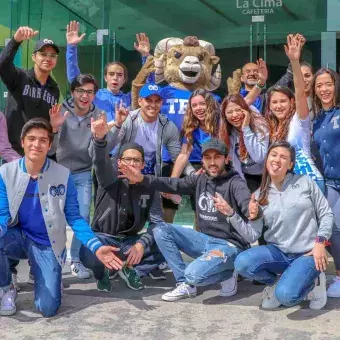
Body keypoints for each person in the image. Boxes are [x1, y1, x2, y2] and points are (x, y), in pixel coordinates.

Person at [0, 118, 122, 317]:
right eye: (31, 139)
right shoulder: (5, 173)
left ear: (49, 145)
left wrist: (97, 246)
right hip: (16, 237)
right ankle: (6, 287)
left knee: (47, 308)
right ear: (22, 142)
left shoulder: (63, 175)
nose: (36, 144)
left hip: (46, 243)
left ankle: (49, 275)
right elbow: (2, 215)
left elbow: (75, 218)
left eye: (42, 140)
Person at [118, 138, 262, 301]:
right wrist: (142, 179)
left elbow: (247, 205)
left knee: (194, 273)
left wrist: (253, 211)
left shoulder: (236, 183)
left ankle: (228, 272)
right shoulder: (200, 179)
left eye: (217, 157)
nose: (212, 162)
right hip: (205, 241)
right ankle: (185, 284)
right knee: (161, 229)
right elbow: (172, 184)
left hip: (230, 246)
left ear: (226, 159)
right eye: (208, 158)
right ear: (202, 160)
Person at [234, 141, 334, 310]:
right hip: (278, 253)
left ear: (291, 164)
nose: (277, 160)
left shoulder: (305, 182)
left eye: (283, 157)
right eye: (273, 155)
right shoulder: (260, 195)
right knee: (242, 263)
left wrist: (320, 242)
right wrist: (238, 215)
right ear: (267, 160)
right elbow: (252, 235)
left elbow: (326, 214)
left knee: (287, 297)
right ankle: (277, 282)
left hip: (307, 253)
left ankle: (314, 283)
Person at [81, 117, 165, 291]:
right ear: (119, 162)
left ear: (143, 164)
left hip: (130, 242)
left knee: (166, 239)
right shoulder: (108, 178)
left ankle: (128, 268)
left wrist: (141, 244)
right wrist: (99, 139)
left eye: (136, 160)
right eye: (128, 159)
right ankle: (103, 272)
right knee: (86, 252)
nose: (132, 164)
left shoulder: (150, 187)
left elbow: (157, 223)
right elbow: (99, 161)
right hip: (104, 238)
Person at [48, 74, 104, 279]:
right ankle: (54, 260)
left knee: (82, 217)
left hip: (82, 174)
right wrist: (53, 128)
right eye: (80, 91)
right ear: (73, 92)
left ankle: (75, 260)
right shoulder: (60, 110)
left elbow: (96, 153)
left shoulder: (98, 115)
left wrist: (100, 135)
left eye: (89, 92)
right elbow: (50, 149)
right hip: (58, 172)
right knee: (54, 218)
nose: (84, 95)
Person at [264, 34, 324, 191]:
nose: (279, 106)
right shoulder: (272, 126)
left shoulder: (299, 120)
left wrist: (295, 62)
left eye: (283, 101)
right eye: (274, 102)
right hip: (287, 185)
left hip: (309, 183)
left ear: (292, 102)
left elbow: (299, 89)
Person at [100, 83, 195, 178]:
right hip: (124, 172)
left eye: (157, 101)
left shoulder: (168, 126)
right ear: (140, 101)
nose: (153, 105)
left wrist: (193, 174)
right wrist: (118, 125)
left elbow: (177, 157)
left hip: (150, 175)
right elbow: (108, 147)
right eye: (148, 100)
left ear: (162, 103)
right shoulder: (127, 119)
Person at [66, 21, 152, 122]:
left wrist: (146, 57)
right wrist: (71, 47)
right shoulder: (95, 96)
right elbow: (75, 80)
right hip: (99, 136)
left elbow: (147, 87)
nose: (115, 77)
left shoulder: (129, 98)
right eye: (111, 74)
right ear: (105, 77)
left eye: (120, 75)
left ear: (124, 80)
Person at [0, 26, 60, 155]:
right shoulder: (19, 77)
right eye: (43, 54)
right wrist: (16, 41)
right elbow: (3, 64)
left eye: (52, 55)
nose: (48, 58)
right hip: (13, 152)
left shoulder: (54, 88)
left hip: (38, 152)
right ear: (34, 57)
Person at [167, 89, 219, 223]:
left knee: (205, 208)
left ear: (210, 104)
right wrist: (172, 183)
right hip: (202, 166)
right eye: (194, 105)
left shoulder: (221, 123)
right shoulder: (191, 126)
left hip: (220, 167)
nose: (198, 108)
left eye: (202, 104)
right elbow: (184, 155)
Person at [311, 67, 340, 297]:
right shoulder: (318, 119)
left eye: (328, 84)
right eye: (319, 85)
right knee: (332, 227)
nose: (323, 89)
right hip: (330, 182)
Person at [219, 94, 269, 192]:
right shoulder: (228, 133)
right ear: (224, 115)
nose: (234, 115)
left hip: (268, 175)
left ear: (245, 110)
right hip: (248, 177)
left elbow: (259, 157)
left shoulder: (260, 125)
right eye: (229, 112)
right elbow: (236, 166)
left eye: (238, 110)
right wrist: (243, 188)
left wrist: (246, 128)